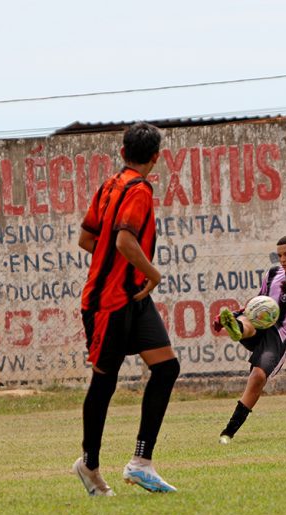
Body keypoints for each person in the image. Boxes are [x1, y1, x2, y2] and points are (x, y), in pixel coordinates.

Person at [72, 122, 180, 495]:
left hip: (132, 297)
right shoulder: (139, 190)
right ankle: (88, 465)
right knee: (105, 382)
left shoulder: (109, 185)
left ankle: (141, 462)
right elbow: (123, 240)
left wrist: (120, 266)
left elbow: (88, 238)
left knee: (166, 368)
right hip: (108, 303)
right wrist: (153, 273)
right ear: (155, 157)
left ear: (122, 153)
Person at [215, 234, 286, 444]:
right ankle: (236, 327)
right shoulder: (273, 273)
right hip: (260, 323)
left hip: (281, 337)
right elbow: (257, 303)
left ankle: (228, 431)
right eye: (279, 255)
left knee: (258, 377)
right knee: (253, 318)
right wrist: (234, 314)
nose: (282, 259)